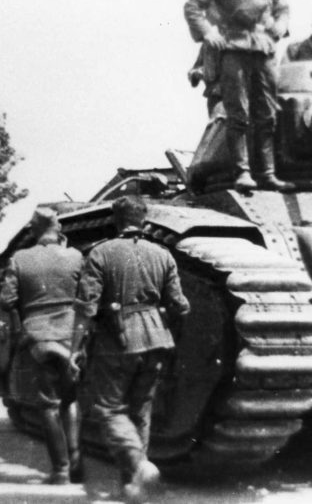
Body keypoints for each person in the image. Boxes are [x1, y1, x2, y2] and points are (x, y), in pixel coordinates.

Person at [70, 196, 190, 503]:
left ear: (115, 220)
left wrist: (75, 348)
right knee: (140, 410)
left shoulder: (101, 252)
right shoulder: (162, 253)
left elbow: (86, 307)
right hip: (156, 338)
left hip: (118, 338)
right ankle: (132, 486)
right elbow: (180, 305)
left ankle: (138, 465)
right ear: (145, 220)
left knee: (109, 409)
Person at [184, 0, 294, 193]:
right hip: (233, 48)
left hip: (264, 50)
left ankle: (267, 173)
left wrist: (282, 24)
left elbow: (283, 7)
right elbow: (192, 6)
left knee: (268, 113)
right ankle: (242, 172)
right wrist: (208, 33)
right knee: (238, 113)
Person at [0, 208, 84, 485]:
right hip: (70, 336)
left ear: (34, 229)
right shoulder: (75, 256)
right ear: (58, 227)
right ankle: (76, 461)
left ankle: (60, 470)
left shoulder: (20, 258)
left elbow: (7, 301)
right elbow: (86, 296)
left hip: (38, 337)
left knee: (48, 404)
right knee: (70, 399)